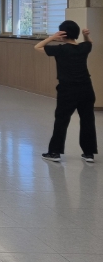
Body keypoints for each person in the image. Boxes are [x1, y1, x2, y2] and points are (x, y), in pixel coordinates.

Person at [36, 21, 96, 163]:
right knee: (87, 120)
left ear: (62, 34)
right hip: (86, 88)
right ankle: (89, 154)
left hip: (68, 90)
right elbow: (90, 43)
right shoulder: (83, 47)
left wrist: (52, 37)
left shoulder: (60, 49)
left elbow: (37, 46)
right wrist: (85, 35)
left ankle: (55, 152)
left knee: (62, 120)